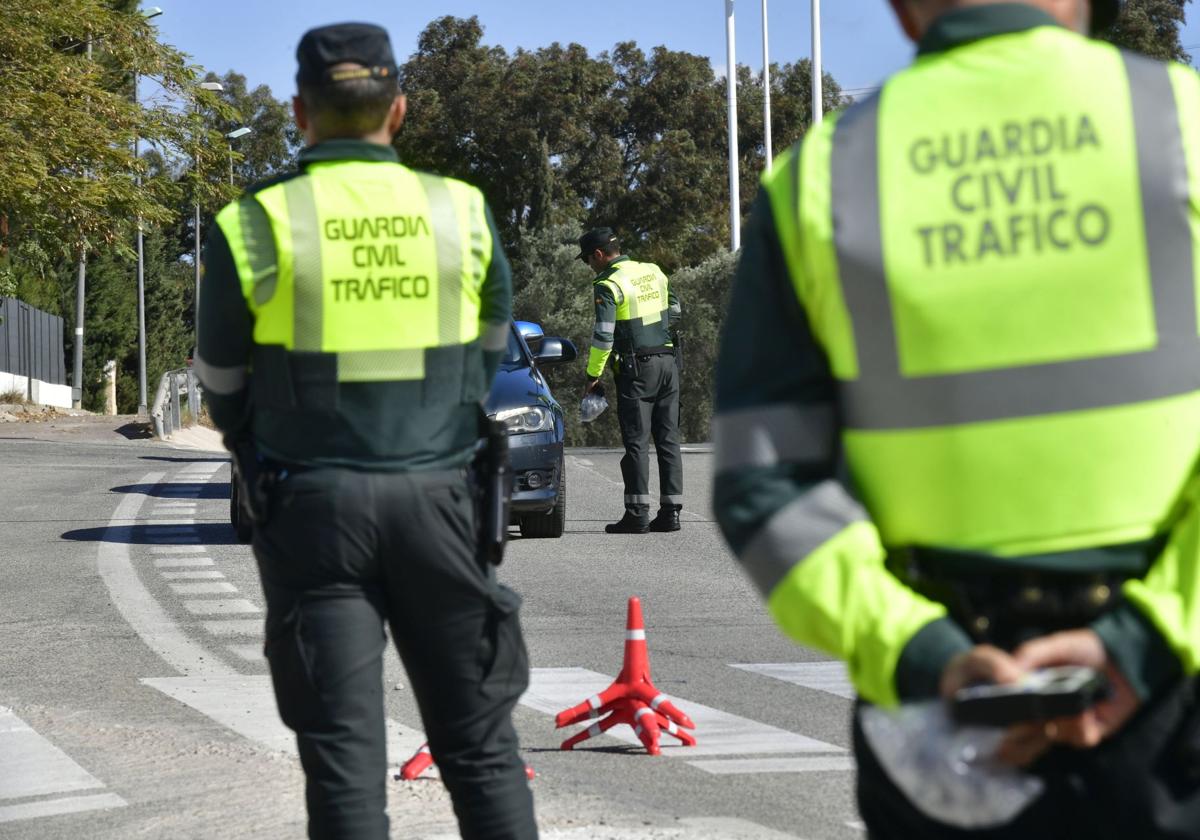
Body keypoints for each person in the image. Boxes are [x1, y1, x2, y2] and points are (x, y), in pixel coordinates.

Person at [712, 0, 1200, 836]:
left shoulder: (823, 176)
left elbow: (765, 485)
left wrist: (919, 654)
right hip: (1172, 702)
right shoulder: (1182, 123)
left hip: (946, 721)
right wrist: (1148, 636)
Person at [195, 22, 537, 840]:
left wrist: (257, 447)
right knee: (482, 749)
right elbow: (488, 354)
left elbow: (220, 378)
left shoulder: (254, 223)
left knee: (343, 762)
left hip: (312, 509)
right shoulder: (461, 213)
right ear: (400, 110)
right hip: (440, 501)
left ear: (298, 112)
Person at [579, 227, 684, 533]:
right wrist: (654, 331)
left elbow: (603, 336)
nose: (589, 265)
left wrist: (593, 375)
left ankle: (637, 513)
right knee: (668, 439)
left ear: (598, 255)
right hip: (667, 363)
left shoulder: (608, 284)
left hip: (637, 369)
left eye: (588, 259)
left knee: (637, 440)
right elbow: (675, 311)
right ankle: (671, 513)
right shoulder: (654, 272)